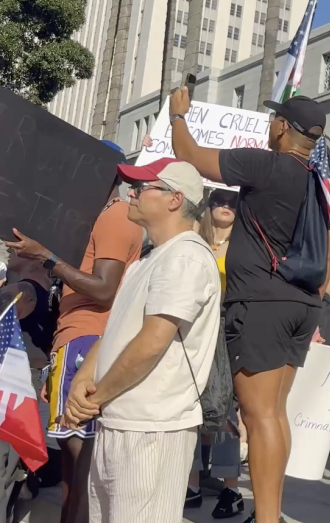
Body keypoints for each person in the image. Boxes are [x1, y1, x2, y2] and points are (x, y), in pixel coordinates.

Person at [168, 85, 330, 523]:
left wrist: (178, 117)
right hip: (300, 304)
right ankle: (270, 512)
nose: (267, 125)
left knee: (258, 415)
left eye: (272, 120)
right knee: (274, 414)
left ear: (283, 127)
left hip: (262, 303)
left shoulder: (266, 164)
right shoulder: (319, 180)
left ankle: (266, 519)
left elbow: (190, 156)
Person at [60, 158, 220, 523]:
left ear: (174, 199)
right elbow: (119, 329)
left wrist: (95, 397)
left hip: (153, 427)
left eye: (142, 187)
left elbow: (152, 342)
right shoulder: (149, 259)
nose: (130, 192)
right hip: (121, 419)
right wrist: (85, 377)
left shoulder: (186, 256)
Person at [4, 139, 142, 523]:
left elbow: (104, 288)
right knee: (76, 457)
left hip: (87, 339)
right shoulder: (105, 216)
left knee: (79, 456)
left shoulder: (114, 217)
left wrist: (46, 258)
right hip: (82, 339)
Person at [186, 188, 245, 519]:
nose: (225, 206)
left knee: (225, 411)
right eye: (218, 200)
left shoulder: (242, 247)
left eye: (232, 202)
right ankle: (192, 484)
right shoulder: (194, 241)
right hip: (195, 328)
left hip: (227, 329)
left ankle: (232, 488)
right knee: (192, 405)